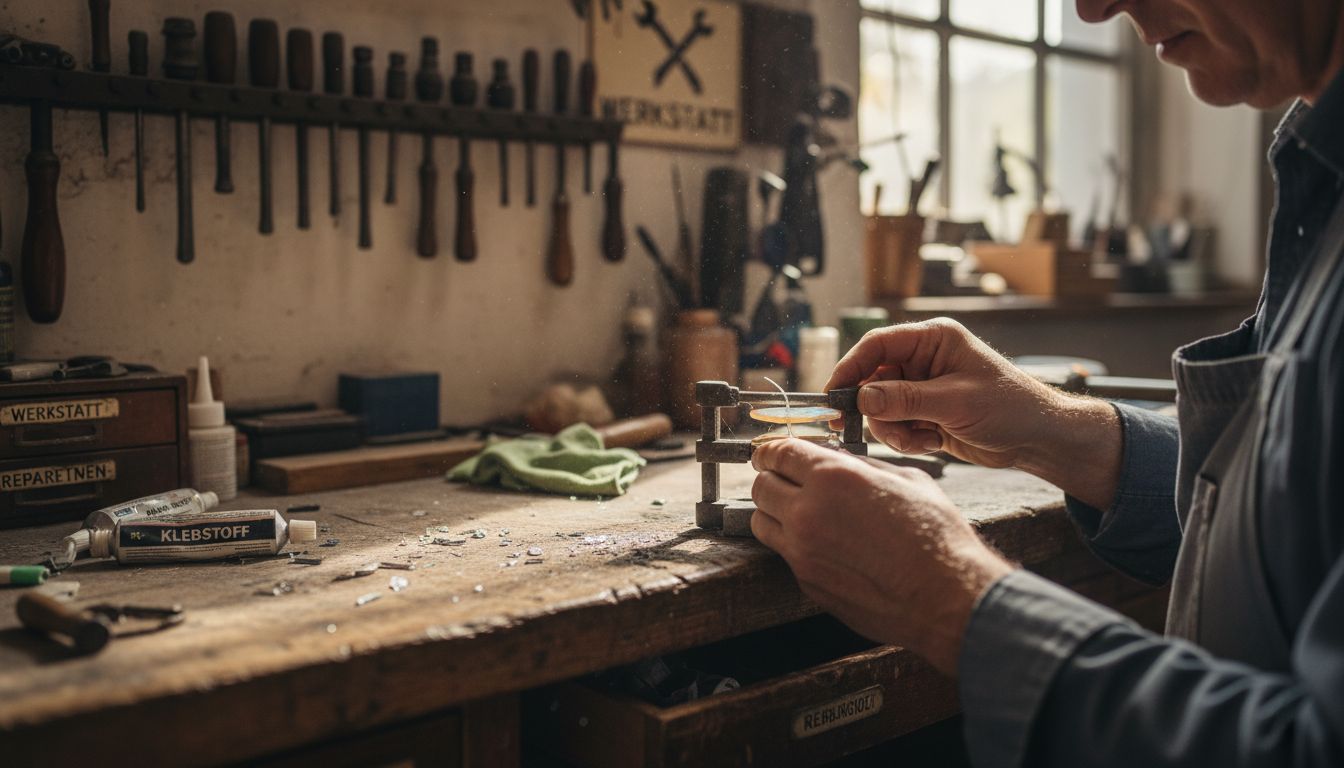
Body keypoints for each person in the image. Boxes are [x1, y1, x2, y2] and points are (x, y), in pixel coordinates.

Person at [748, 1, 1344, 765]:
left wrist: (947, 593)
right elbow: (1289, 508)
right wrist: (1052, 429)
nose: (1093, 7)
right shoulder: (1322, 172)